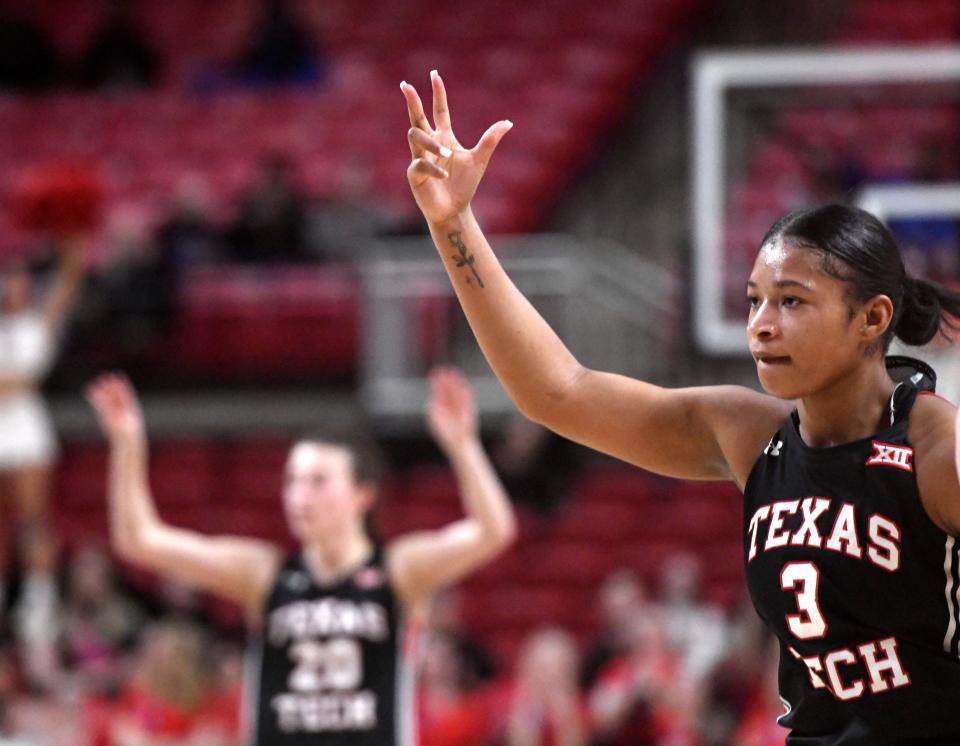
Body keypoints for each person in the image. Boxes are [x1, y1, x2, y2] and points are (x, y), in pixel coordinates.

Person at [401, 71, 960, 743]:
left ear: (871, 318)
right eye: (754, 299)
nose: (761, 325)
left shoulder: (938, 451)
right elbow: (557, 392)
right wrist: (454, 224)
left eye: (791, 301)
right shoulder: (749, 435)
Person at [85, 365, 517, 745]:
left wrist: (463, 446)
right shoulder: (262, 572)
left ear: (362, 495)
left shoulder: (399, 571)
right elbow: (138, 540)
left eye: (317, 482)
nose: (299, 496)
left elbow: (493, 531)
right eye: (293, 482)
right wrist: (127, 444)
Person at [0, 244, 85, 687]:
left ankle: (39, 602)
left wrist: (71, 252)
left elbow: (65, 288)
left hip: (26, 433)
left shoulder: (34, 327)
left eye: (17, 279)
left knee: (33, 521)